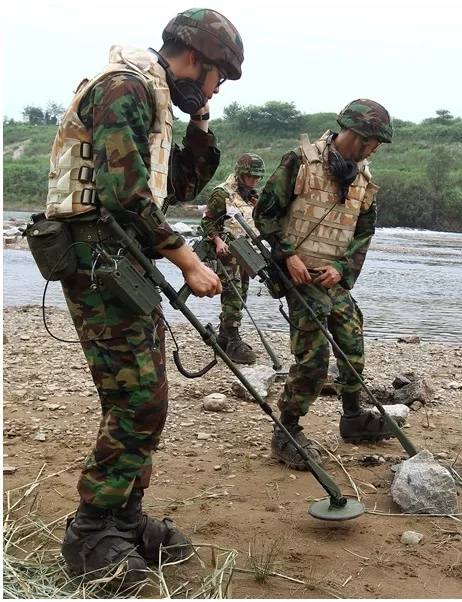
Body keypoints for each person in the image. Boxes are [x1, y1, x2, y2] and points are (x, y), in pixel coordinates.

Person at [42, 8, 244, 588]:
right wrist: (188, 259)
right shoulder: (124, 89)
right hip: (96, 259)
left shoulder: (152, 98)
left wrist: (201, 125)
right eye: (217, 79)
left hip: (121, 262)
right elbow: (124, 193)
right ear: (199, 60)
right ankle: (91, 534)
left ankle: (124, 521)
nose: (215, 89)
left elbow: (174, 187)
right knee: (137, 402)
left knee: (143, 398)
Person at [253, 99, 394, 470]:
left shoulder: (363, 178)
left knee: (352, 345)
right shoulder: (299, 162)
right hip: (299, 275)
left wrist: (344, 271)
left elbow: (364, 232)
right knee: (314, 360)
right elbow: (264, 213)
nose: (376, 148)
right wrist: (288, 255)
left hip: (334, 279)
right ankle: (287, 430)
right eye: (375, 141)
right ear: (360, 136)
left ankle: (352, 419)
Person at [200, 153, 266, 364]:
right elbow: (208, 222)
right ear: (240, 174)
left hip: (247, 253)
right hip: (227, 253)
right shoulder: (222, 194)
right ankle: (234, 339)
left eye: (257, 177)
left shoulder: (251, 197)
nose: (255, 180)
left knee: (242, 293)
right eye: (251, 176)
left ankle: (224, 338)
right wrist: (218, 242)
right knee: (233, 294)